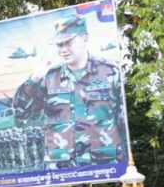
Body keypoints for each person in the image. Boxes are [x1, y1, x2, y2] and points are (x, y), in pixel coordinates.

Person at [12, 14, 126, 170]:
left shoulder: (110, 71)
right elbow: (20, 115)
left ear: (85, 38)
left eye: (69, 42)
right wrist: (35, 78)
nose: (63, 50)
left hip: (106, 165)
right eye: (59, 45)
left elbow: (123, 122)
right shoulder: (48, 78)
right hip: (63, 169)